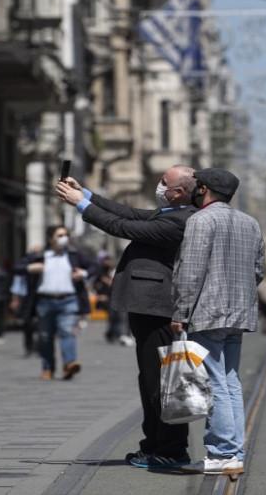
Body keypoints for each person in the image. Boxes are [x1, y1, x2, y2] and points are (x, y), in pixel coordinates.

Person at [55, 164, 197, 469]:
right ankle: (157, 445)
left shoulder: (181, 221)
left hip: (157, 306)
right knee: (151, 378)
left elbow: (124, 228)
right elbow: (128, 213)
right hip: (149, 306)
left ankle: (170, 449)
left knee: (161, 380)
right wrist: (87, 194)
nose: (158, 186)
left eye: (164, 182)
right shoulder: (173, 213)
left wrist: (80, 204)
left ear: (179, 192)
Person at [171, 168, 264, 476]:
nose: (195, 189)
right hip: (238, 314)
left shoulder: (201, 220)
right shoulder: (250, 223)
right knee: (230, 381)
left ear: (205, 189)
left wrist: (180, 312)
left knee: (215, 383)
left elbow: (191, 271)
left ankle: (223, 452)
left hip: (208, 312)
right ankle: (233, 452)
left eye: (197, 185)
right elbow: (258, 270)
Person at [26, 226, 96, 381]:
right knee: (45, 336)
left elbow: (94, 266)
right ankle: (47, 367)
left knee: (67, 332)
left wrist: (82, 273)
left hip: (68, 300)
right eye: (60, 235)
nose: (64, 238)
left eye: (65, 235)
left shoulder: (73, 255)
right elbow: (19, 267)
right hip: (45, 301)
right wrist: (31, 267)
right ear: (51, 238)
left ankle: (69, 364)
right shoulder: (41, 255)